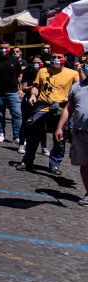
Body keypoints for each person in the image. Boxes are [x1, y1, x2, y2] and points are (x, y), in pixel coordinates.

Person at [20, 52, 79, 174]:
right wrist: (32, 95)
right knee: (33, 134)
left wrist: (81, 69)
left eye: (59, 57)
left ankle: (55, 164)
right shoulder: (42, 71)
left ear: (65, 59)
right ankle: (27, 161)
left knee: (59, 137)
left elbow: (82, 86)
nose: (56, 60)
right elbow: (36, 86)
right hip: (43, 106)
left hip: (62, 108)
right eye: (54, 57)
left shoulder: (73, 73)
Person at [55, 60, 88, 205]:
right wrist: (60, 127)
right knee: (84, 165)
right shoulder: (76, 87)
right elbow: (69, 108)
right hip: (80, 132)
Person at [0, 41, 23, 144]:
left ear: (9, 49)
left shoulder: (14, 60)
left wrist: (20, 89)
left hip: (13, 92)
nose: (3, 50)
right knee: (0, 114)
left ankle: (17, 136)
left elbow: (19, 75)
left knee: (17, 114)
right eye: (1, 48)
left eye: (6, 48)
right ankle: (1, 133)